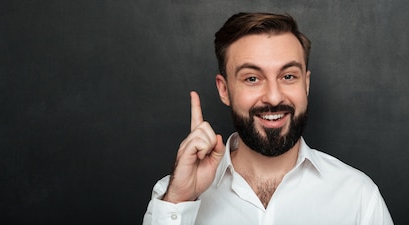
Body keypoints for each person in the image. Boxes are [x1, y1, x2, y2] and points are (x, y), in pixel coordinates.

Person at [142, 12, 394, 225]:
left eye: (288, 77)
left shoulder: (359, 195)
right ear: (224, 90)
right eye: (252, 78)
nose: (273, 97)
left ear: (305, 84)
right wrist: (180, 200)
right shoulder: (171, 197)